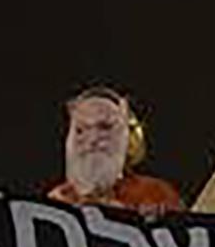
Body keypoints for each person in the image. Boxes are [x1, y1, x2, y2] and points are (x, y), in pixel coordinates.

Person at [47, 85, 183, 217]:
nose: (92, 139)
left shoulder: (156, 194)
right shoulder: (54, 203)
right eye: (80, 130)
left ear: (129, 137)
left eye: (105, 127)